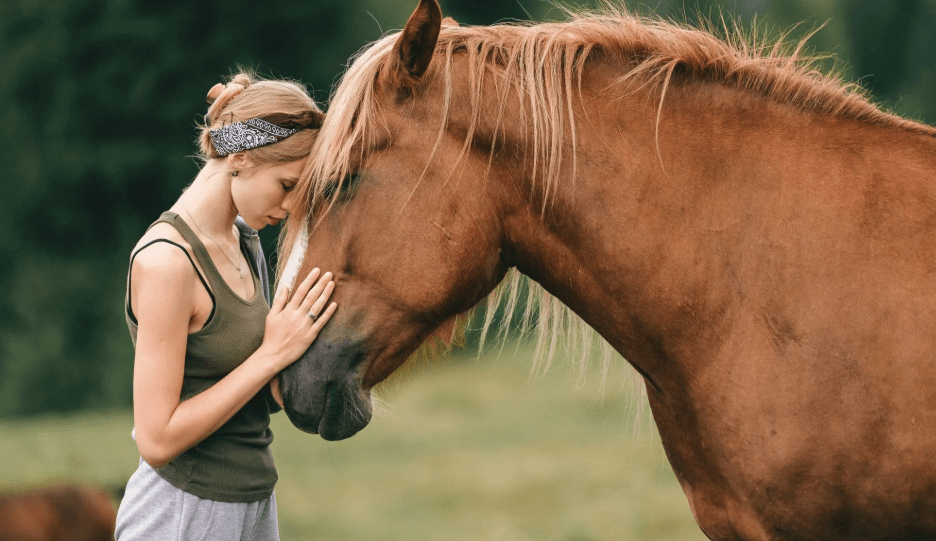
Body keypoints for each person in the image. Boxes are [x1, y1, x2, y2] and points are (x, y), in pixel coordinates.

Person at [115, 73, 334, 541]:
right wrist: (271, 355)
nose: (294, 206)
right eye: (287, 185)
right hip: (181, 512)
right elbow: (156, 439)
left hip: (253, 502)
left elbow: (250, 395)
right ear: (239, 157)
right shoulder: (167, 263)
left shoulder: (245, 241)